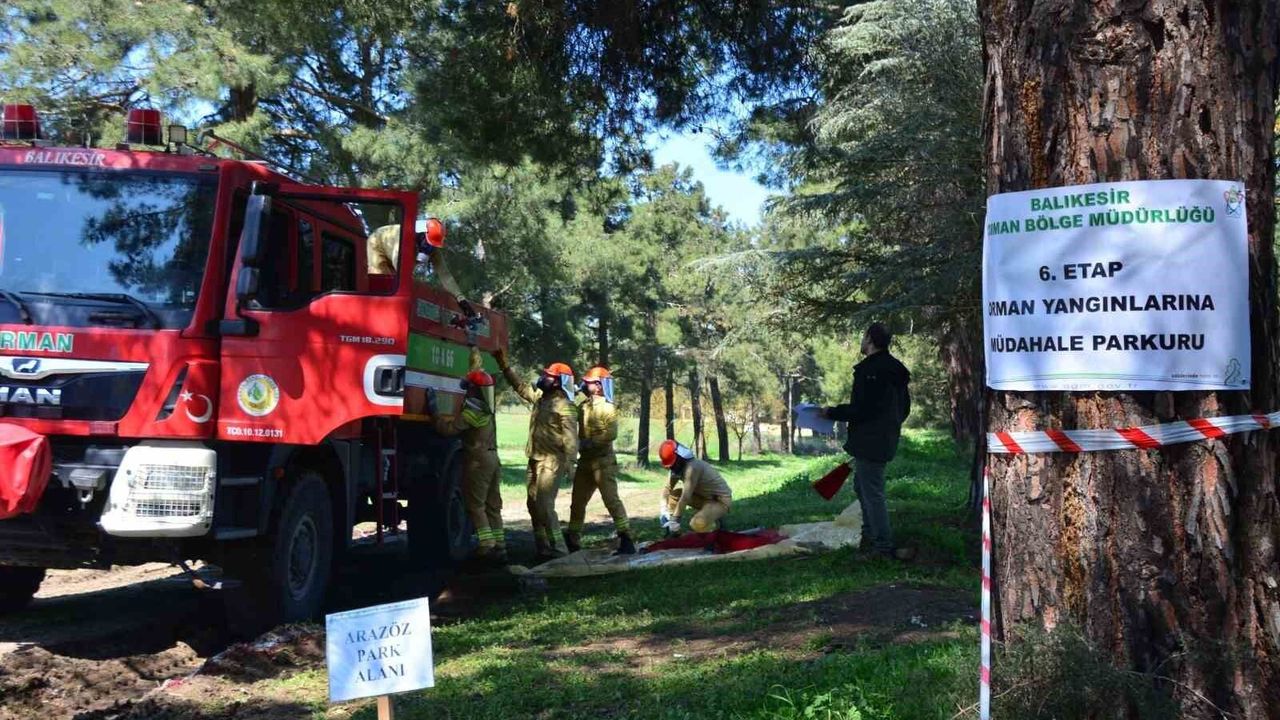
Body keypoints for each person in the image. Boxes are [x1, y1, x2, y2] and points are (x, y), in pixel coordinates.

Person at [821, 323, 912, 559]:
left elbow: (862, 409)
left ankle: (882, 547)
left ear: (870, 339)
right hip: (884, 438)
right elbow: (904, 408)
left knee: (872, 493)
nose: (861, 341)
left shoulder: (871, 370)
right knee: (862, 487)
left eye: (863, 336)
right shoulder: (896, 369)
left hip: (870, 441)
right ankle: (869, 538)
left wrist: (832, 412)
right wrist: (889, 427)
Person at [494, 348, 578, 561]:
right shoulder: (541, 398)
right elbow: (521, 388)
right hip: (534, 458)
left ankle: (560, 551)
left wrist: (570, 463)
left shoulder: (565, 406)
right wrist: (504, 366)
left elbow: (571, 438)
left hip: (552, 461)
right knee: (532, 504)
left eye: (549, 376)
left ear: (558, 382)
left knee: (544, 505)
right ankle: (543, 548)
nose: (543, 378)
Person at [433, 347, 506, 565]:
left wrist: (434, 411)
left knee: (475, 505)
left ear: (474, 390)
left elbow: (448, 430)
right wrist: (474, 354)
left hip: (478, 461)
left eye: (469, 388)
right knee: (493, 505)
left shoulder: (472, 412)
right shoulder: (488, 410)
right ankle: (500, 545)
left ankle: (486, 545)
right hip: (493, 459)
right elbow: (477, 376)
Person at [565, 367, 636, 555]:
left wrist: (589, 443)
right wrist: (570, 395)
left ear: (598, 386)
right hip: (585, 463)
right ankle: (572, 539)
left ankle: (626, 538)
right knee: (577, 502)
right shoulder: (583, 406)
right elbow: (568, 417)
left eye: (588, 382)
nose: (584, 384)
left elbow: (611, 433)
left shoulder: (608, 407)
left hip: (603, 463)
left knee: (611, 501)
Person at [658, 439, 732, 535]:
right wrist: (663, 509)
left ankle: (713, 531)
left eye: (673, 464)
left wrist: (675, 519)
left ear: (679, 457)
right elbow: (667, 488)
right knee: (674, 495)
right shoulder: (677, 468)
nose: (672, 467)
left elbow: (685, 497)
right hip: (703, 497)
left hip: (719, 501)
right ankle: (674, 533)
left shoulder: (692, 467)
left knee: (697, 524)